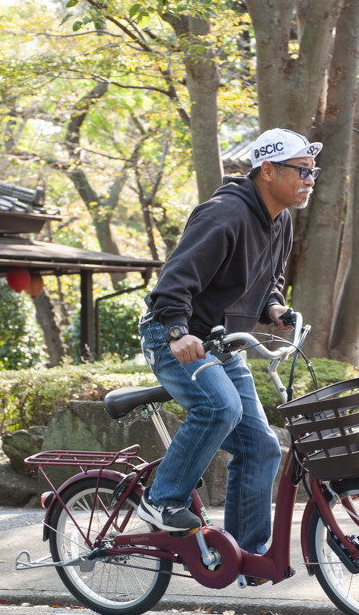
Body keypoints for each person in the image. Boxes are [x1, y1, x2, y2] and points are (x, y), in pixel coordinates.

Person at [136, 128, 322, 554]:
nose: (310, 179)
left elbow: (267, 281)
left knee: (262, 447)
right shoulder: (224, 214)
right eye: (302, 170)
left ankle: (244, 555)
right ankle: (162, 500)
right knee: (220, 407)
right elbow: (172, 285)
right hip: (173, 334)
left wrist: (274, 307)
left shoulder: (281, 221)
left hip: (220, 343)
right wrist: (178, 331)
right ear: (268, 170)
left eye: (313, 171)